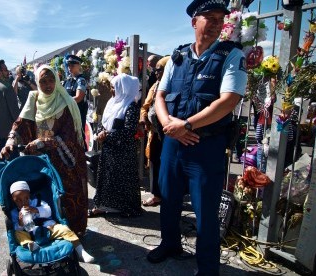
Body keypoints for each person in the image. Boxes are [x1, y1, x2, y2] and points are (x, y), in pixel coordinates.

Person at [147, 1, 247, 275]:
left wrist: (187, 124)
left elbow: (228, 101)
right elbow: (160, 95)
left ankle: (207, 268)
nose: (216, 24)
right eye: (210, 18)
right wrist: (169, 124)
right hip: (172, 143)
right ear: (194, 22)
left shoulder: (231, 55)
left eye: (220, 19)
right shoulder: (177, 56)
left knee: (205, 212)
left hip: (206, 146)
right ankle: (170, 244)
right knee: (168, 199)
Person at [0, 65, 88, 235]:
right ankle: (49, 233)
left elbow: (69, 137)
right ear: (37, 83)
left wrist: (43, 142)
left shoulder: (65, 103)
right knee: (43, 199)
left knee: (68, 197)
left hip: (65, 161)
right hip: (39, 162)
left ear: (56, 81)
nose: (47, 85)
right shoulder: (33, 98)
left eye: (50, 81)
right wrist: (10, 140)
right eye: (43, 81)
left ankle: (74, 236)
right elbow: (20, 123)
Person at [89, 73, 143, 218]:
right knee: (107, 179)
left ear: (123, 88)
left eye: (114, 87)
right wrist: (101, 133)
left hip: (123, 150)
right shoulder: (112, 103)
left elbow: (129, 131)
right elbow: (103, 123)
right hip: (109, 148)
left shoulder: (131, 106)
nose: (112, 90)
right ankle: (104, 206)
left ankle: (123, 208)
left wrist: (107, 136)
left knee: (121, 180)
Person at [10, 181, 94, 263]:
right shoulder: (14, 212)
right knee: (18, 234)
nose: (23, 202)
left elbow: (48, 211)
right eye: (18, 200)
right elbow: (17, 228)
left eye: (26, 198)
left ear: (29, 195)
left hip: (48, 229)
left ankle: (81, 251)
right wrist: (20, 223)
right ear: (13, 200)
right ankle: (30, 244)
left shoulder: (38, 201)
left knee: (64, 229)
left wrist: (35, 210)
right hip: (31, 234)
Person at [139, 56, 170, 207]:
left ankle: (170, 194)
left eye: (160, 70)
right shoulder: (155, 86)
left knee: (169, 164)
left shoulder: (175, 85)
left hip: (171, 132)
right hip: (155, 134)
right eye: (156, 70)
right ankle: (157, 194)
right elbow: (145, 105)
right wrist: (144, 118)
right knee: (154, 162)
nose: (157, 73)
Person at [63, 55, 88, 139]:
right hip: (67, 115)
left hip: (77, 115)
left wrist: (62, 103)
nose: (70, 67)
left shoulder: (81, 80)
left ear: (78, 66)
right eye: (68, 65)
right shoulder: (67, 81)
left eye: (72, 65)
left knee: (78, 138)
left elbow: (78, 98)